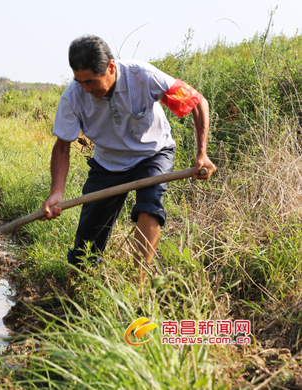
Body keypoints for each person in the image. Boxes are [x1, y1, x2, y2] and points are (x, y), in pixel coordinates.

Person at [40, 35, 216, 291]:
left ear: (111, 67)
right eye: (80, 82)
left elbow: (197, 102)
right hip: (108, 162)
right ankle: (74, 298)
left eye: (90, 81)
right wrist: (56, 192)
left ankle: (137, 288)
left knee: (149, 206)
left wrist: (202, 154)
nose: (86, 89)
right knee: (89, 236)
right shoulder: (73, 96)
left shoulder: (143, 76)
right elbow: (62, 147)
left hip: (152, 153)